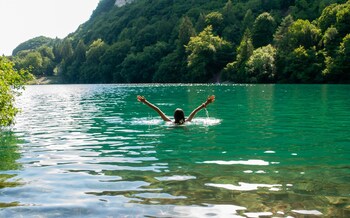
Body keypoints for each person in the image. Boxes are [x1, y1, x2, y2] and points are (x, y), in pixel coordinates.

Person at [137, 95, 215, 125]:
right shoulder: (187, 121)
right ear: (183, 116)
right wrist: (207, 102)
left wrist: (145, 101)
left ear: (174, 116)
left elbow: (157, 110)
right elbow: (195, 110)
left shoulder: (169, 122)